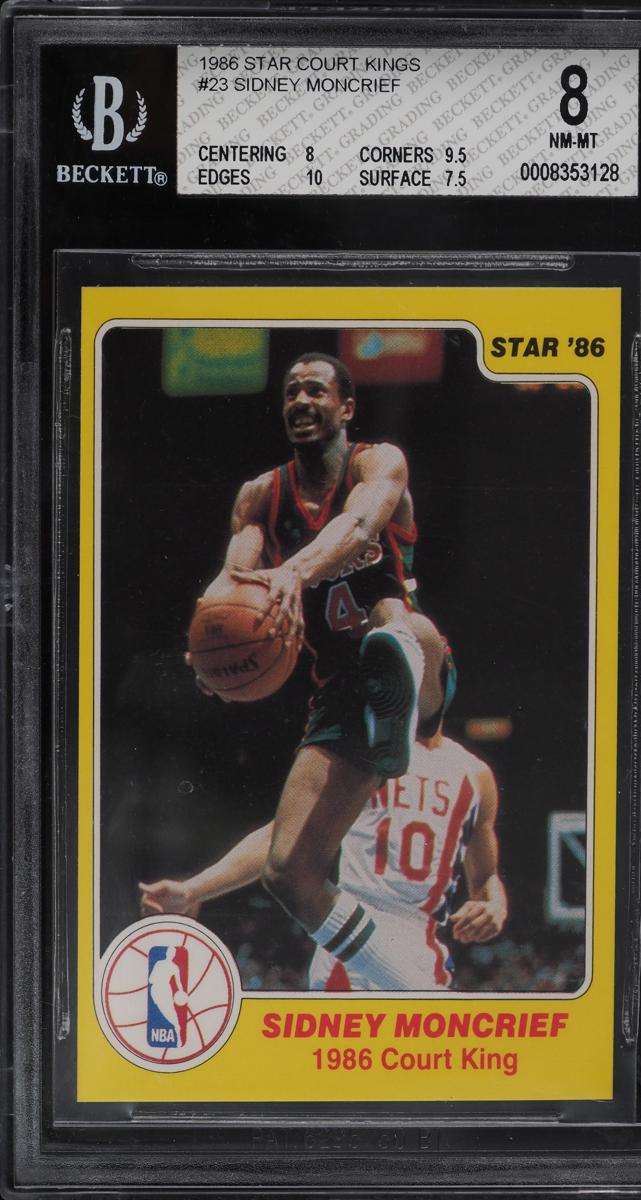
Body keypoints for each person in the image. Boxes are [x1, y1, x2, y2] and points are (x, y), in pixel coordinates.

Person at [188, 352, 455, 990]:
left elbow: (358, 523)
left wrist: (294, 571)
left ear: (346, 407)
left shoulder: (378, 463)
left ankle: (400, 712)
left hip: (418, 662)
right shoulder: (260, 495)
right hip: (338, 694)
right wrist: (206, 645)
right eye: (290, 393)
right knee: (289, 873)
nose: (300, 401)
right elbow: (231, 582)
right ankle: (412, 990)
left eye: (315, 390)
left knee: (396, 629)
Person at [139, 731, 508, 991]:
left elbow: (486, 879)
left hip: (424, 952)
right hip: (353, 942)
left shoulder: (475, 774)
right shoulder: (366, 755)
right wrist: (194, 889)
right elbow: (281, 836)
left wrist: (495, 905)